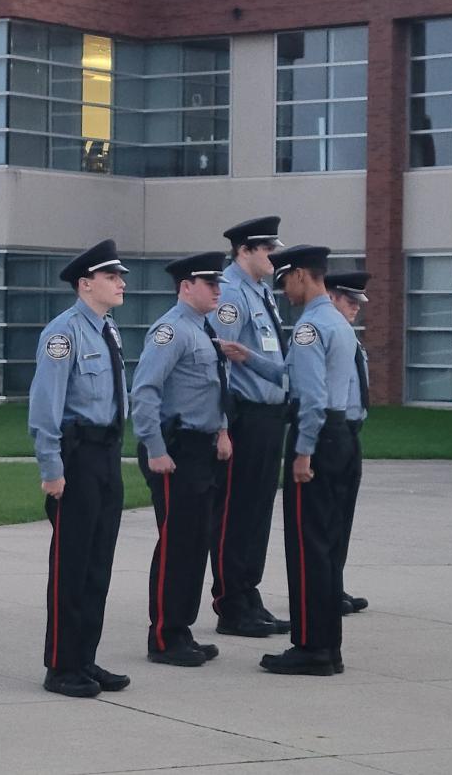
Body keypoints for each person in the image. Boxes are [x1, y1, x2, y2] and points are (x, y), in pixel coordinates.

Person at [28, 239, 131, 699]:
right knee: (71, 564)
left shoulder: (108, 330)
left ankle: (85, 656)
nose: (121, 283)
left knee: (97, 563)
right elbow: (44, 410)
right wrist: (52, 468)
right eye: (112, 277)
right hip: (77, 455)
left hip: (106, 454)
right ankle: (61, 664)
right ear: (86, 284)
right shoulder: (62, 334)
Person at [258, 246, 358, 677]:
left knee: (306, 547)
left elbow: (312, 398)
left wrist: (302, 451)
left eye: (284, 281)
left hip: (314, 438)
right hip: (341, 436)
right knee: (327, 545)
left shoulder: (309, 327)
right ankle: (326, 646)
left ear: (301, 275)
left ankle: (311, 647)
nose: (282, 291)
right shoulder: (337, 320)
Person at [130, 252, 232, 667]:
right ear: (186, 286)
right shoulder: (170, 331)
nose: (218, 291)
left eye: (218, 284)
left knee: (195, 543)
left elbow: (213, 386)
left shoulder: (202, 330)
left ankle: (182, 629)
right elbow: (145, 392)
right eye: (210, 284)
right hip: (176, 450)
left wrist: (222, 428)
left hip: (203, 447)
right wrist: (155, 448)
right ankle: (164, 636)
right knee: (176, 544)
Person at [207, 216, 291, 638]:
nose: (275, 256)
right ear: (245, 251)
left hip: (269, 415)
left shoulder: (260, 291)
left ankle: (248, 591)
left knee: (257, 511)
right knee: (235, 512)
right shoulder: (231, 294)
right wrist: (221, 424)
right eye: (268, 249)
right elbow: (217, 361)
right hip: (244, 416)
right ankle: (230, 602)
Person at [326, 270, 372, 617]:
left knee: (343, 516)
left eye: (358, 301)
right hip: (333, 430)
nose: (356, 307)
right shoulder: (323, 333)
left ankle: (334, 584)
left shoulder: (348, 337)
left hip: (352, 431)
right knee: (326, 518)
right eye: (350, 300)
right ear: (331, 297)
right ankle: (324, 587)